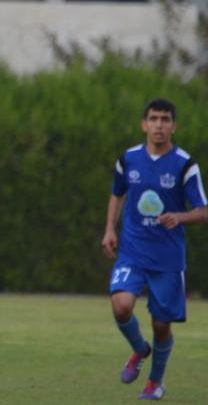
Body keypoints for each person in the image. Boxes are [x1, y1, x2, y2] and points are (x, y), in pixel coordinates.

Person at [100, 98, 207, 401]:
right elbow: (117, 193)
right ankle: (138, 349)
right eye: (153, 119)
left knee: (162, 325)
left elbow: (203, 210)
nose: (159, 125)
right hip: (133, 251)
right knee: (121, 305)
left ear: (174, 126)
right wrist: (110, 228)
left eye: (165, 119)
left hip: (168, 258)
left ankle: (155, 382)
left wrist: (180, 216)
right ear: (143, 124)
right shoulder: (129, 159)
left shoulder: (185, 164)